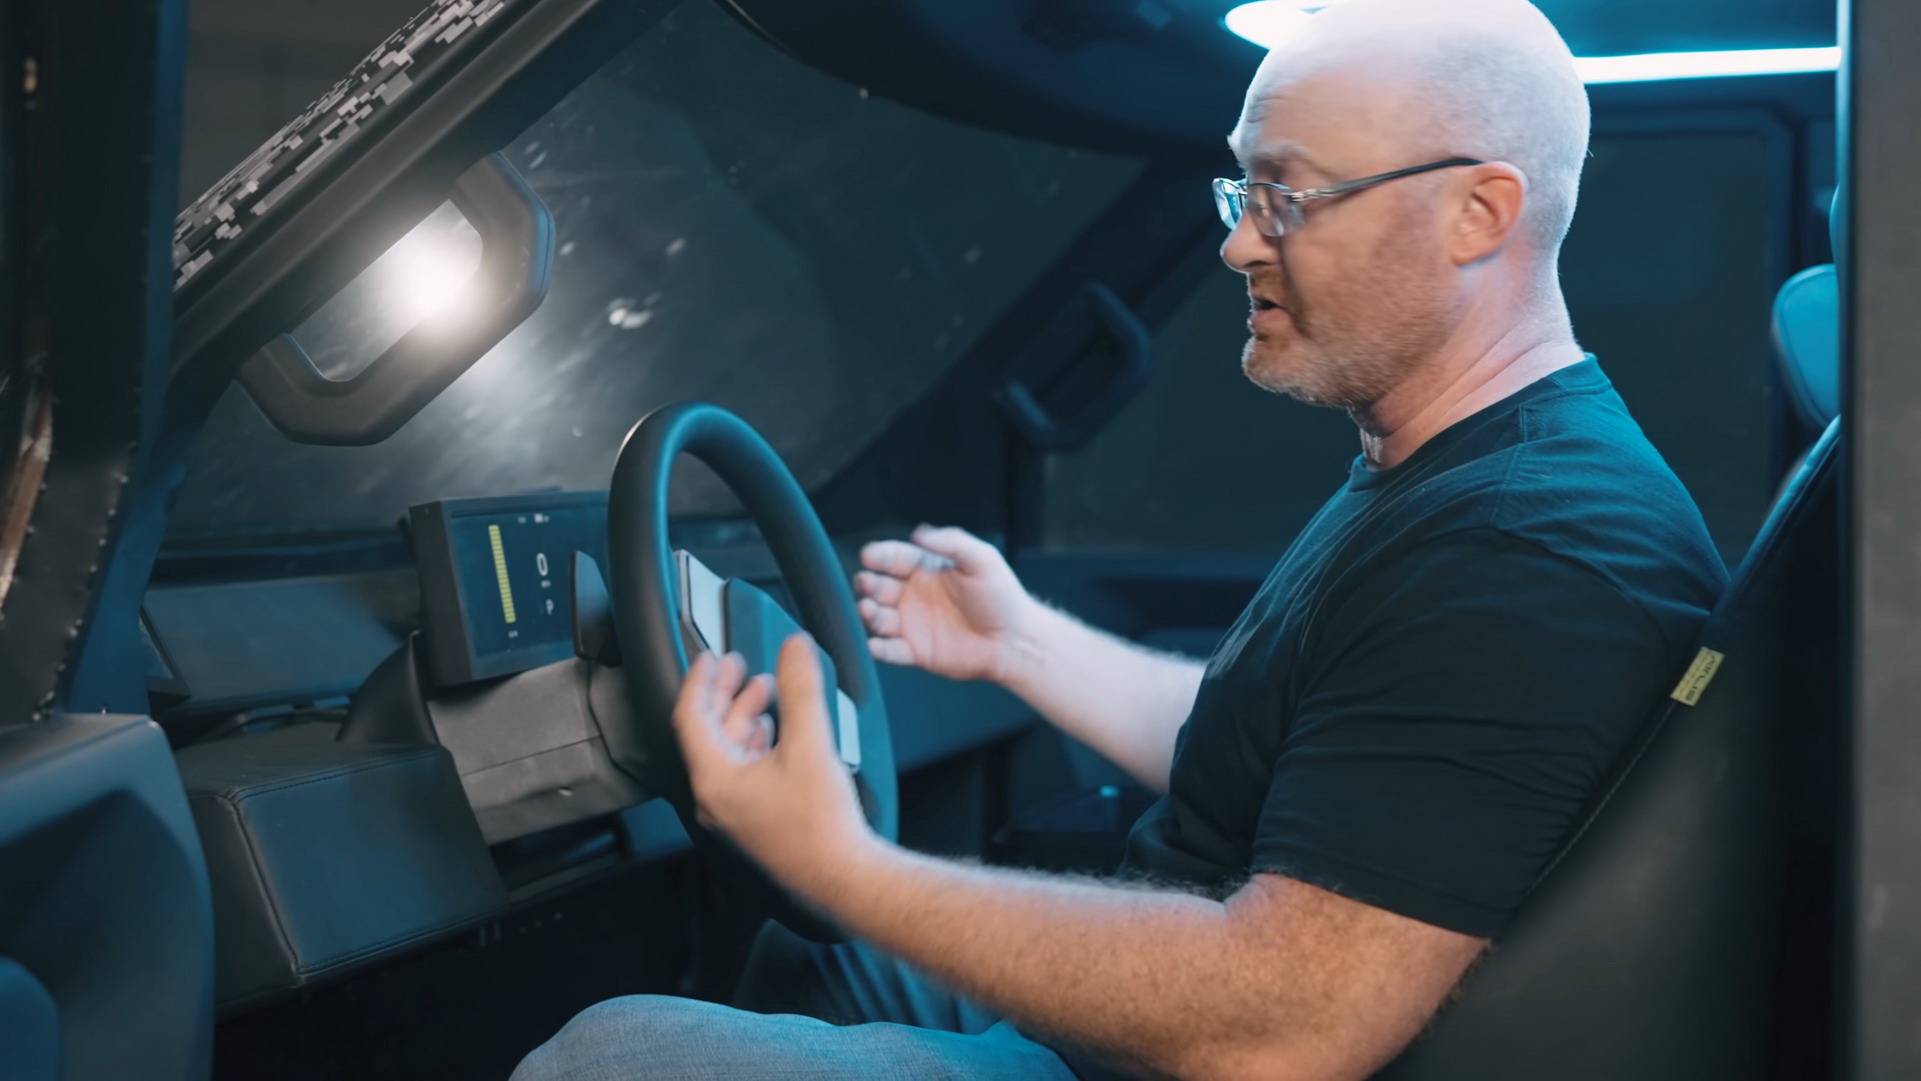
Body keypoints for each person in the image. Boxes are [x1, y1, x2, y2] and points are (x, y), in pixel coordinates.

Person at [513, 0, 1726, 1076]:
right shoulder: (1451, 472)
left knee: (613, 1057)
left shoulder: (1526, 547)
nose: (1237, 241)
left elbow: (1281, 1032)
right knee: (805, 962)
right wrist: (1024, 646)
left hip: (1198, 1043)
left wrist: (843, 863)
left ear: (1476, 213)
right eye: (1240, 191)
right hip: (1147, 1027)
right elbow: (1318, 755)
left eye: (1287, 195)